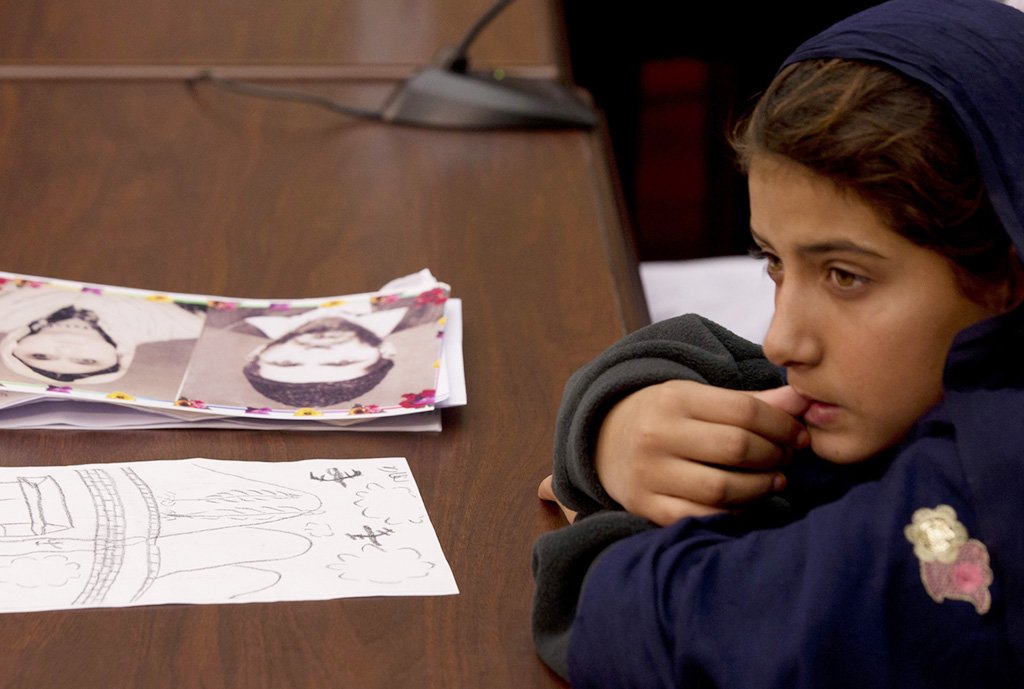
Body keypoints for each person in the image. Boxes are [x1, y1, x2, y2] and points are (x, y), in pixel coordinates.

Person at [531, 1, 1024, 686]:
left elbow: (657, 626)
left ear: (1007, 272)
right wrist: (612, 426)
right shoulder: (933, 383)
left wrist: (600, 525)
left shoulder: (987, 487)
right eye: (774, 261)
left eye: (845, 276)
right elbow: (738, 374)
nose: (783, 336)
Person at [0, 282, 205, 385]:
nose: (67, 349)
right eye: (87, 361)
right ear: (117, 356)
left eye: (40, 355)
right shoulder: (185, 323)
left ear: (13, 346)